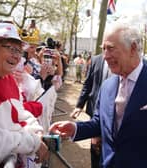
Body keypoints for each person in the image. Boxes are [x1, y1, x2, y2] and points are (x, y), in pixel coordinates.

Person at [49, 22, 147, 168]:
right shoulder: (107, 86)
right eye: (103, 49)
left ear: (132, 48)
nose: (105, 56)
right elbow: (100, 123)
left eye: (110, 48)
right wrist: (75, 129)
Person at [0, 22, 48, 167]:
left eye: (19, 51)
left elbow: (20, 114)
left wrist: (36, 132)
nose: (17, 56)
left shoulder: (9, 78)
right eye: (11, 49)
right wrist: (33, 143)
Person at [70, 54, 110, 168]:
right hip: (95, 110)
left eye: (110, 47)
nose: (107, 52)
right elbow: (87, 84)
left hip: (113, 113)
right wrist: (79, 105)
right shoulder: (96, 60)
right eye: (104, 47)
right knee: (96, 145)